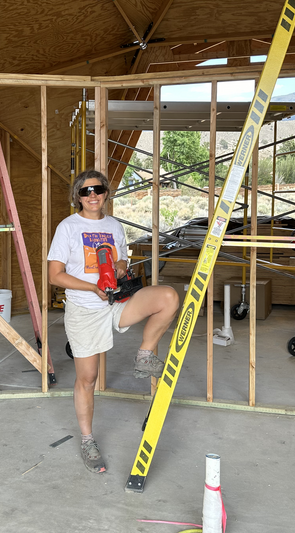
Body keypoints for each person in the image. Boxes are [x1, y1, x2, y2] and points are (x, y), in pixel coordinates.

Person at [47, 169, 180, 474]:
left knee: (168, 298)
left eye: (97, 189)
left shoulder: (114, 225)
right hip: (84, 310)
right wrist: (91, 286)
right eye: (85, 191)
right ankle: (87, 440)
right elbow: (55, 275)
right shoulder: (68, 227)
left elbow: (122, 260)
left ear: (106, 193)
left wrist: (120, 264)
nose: (92, 195)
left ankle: (144, 355)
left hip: (116, 302)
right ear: (78, 197)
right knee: (88, 379)